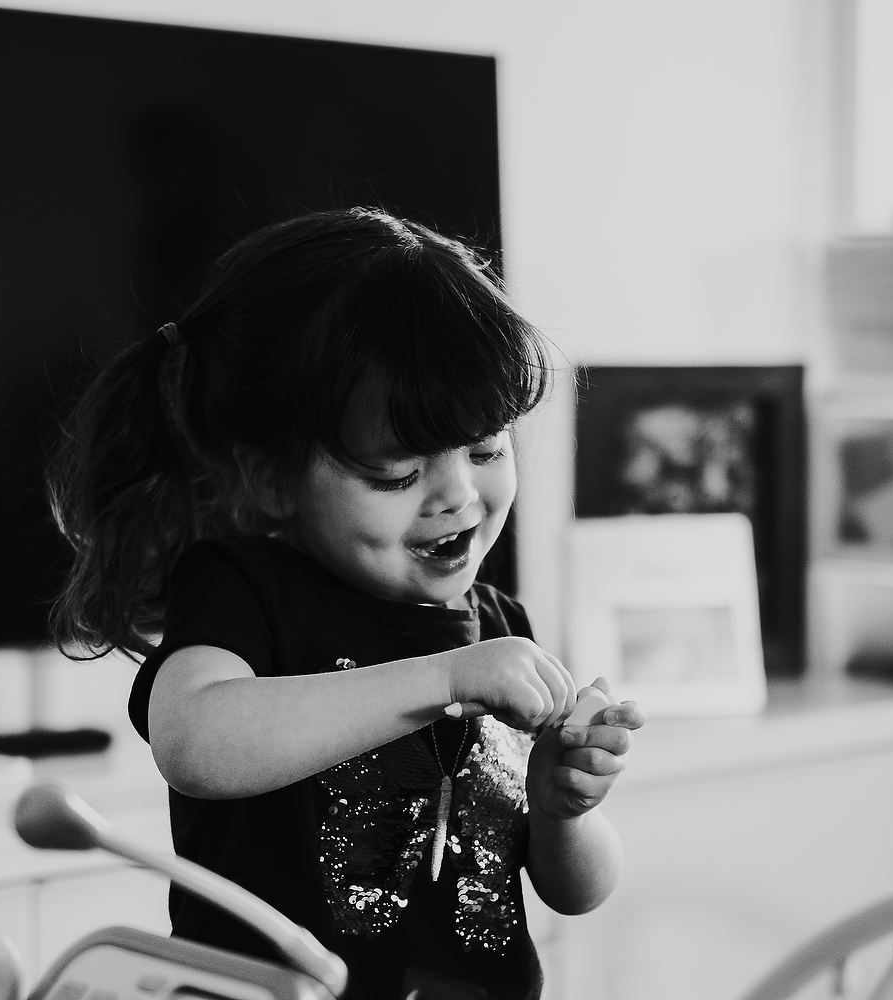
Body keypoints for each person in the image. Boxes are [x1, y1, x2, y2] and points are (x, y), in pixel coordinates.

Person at [47, 207, 645, 1000]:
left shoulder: (501, 628)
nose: (459, 495)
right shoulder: (243, 588)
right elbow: (194, 743)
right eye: (398, 472)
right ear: (271, 478)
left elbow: (578, 892)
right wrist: (445, 680)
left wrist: (562, 808)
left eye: (486, 447)